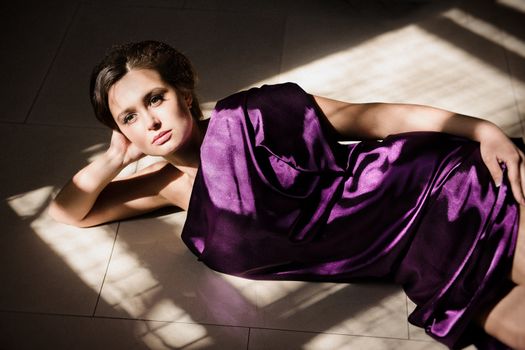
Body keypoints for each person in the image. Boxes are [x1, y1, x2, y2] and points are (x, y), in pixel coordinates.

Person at [48, 40, 525, 349]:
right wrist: (113, 159)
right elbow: (70, 213)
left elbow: (373, 118)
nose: (149, 121)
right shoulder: (168, 188)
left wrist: (481, 129)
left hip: (444, 187)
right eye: (128, 117)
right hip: (418, 259)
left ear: (184, 95)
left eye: (155, 99)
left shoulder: (252, 115)